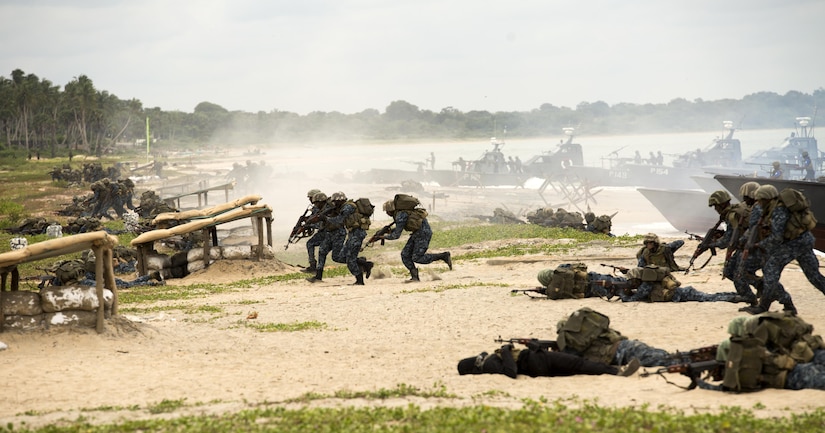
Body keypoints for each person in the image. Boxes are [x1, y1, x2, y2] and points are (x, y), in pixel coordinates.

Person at [742, 185, 825, 315]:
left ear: (767, 199)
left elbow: (777, 237)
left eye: (760, 200)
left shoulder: (778, 210)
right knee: (814, 276)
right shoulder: (774, 208)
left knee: (771, 269)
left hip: (795, 243)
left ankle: (764, 306)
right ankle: (788, 308)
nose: (758, 203)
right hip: (804, 241)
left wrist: (759, 245)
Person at [457, 341, 641, 378]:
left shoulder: (488, 364)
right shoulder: (489, 365)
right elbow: (511, 372)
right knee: (578, 363)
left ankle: (615, 369)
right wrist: (505, 351)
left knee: (578, 368)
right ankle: (617, 371)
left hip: (537, 365)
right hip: (538, 362)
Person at [704, 189, 760, 305]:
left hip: (752, 247)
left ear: (722, 204)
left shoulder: (732, 215)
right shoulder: (736, 210)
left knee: (738, 274)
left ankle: (750, 297)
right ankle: (761, 286)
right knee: (729, 271)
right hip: (745, 245)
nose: (716, 210)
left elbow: (727, 242)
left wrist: (710, 244)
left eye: (716, 206)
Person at [378, 194, 452, 282]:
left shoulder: (400, 215)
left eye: (387, 211)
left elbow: (396, 235)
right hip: (417, 233)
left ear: (391, 210)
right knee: (405, 255)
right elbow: (399, 228)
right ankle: (415, 277)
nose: (387, 213)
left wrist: (382, 237)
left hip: (422, 234)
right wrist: (388, 231)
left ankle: (443, 256)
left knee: (417, 257)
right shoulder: (401, 214)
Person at [611, 265, 746, 304]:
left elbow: (635, 298)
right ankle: (736, 295)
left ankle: (735, 298)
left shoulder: (646, 284)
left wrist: (623, 294)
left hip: (682, 294)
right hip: (681, 294)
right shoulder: (647, 282)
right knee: (710, 296)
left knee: (709, 298)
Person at [325, 196, 375, 285]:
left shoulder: (348, 207)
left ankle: (360, 280)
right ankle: (365, 264)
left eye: (335, 202)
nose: (334, 204)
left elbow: (339, 220)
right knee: (339, 257)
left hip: (357, 234)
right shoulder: (345, 207)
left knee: (350, 259)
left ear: (340, 201)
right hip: (352, 234)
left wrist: (325, 218)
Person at [306, 191, 349, 283]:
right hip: (330, 233)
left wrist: (322, 219)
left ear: (321, 202)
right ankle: (318, 276)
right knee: (322, 251)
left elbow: (337, 221)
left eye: (316, 203)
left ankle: (360, 262)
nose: (315, 205)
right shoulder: (325, 209)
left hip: (338, 233)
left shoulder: (332, 208)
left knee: (337, 257)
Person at [302, 189, 326, 274]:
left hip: (327, 232)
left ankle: (313, 267)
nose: (310, 200)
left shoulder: (320, 207)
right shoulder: (319, 207)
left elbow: (319, 223)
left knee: (310, 244)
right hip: (327, 232)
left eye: (310, 198)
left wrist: (308, 225)